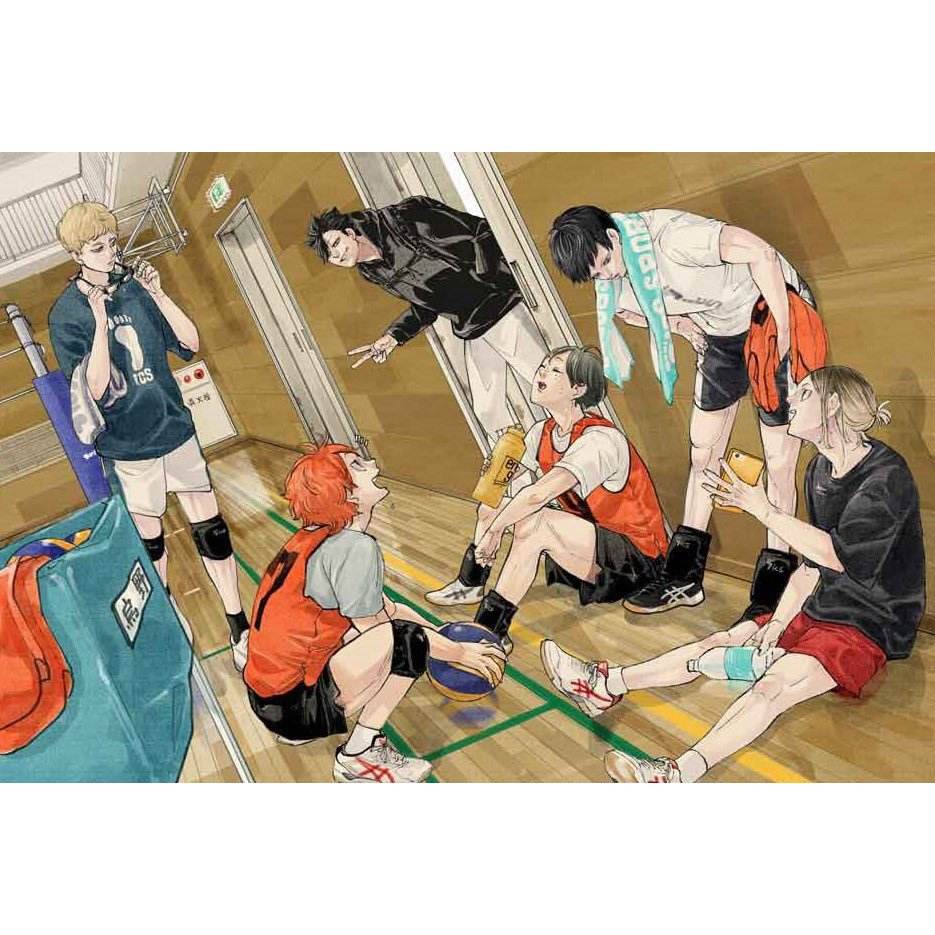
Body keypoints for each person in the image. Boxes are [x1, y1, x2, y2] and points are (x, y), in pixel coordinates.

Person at [540, 365, 925, 783]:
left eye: (804, 394)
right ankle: (606, 684)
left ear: (832, 404)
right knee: (723, 640)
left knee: (771, 687)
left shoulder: (885, 477)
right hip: (824, 603)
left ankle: (675, 775)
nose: (790, 400)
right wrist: (776, 624)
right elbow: (810, 568)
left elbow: (836, 557)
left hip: (870, 624)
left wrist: (763, 510)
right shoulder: (818, 470)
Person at [548, 205, 829, 620]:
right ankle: (683, 576)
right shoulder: (611, 282)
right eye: (596, 275)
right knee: (703, 453)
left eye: (606, 262)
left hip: (773, 313)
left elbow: (763, 254)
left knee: (779, 462)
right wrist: (683, 327)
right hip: (721, 335)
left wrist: (785, 332)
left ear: (613, 236)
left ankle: (772, 591)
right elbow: (626, 311)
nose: (607, 276)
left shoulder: (674, 238)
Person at [48, 202, 250, 670]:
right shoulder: (67, 315)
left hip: (172, 426)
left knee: (211, 529)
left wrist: (158, 294)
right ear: (76, 255)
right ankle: (170, 626)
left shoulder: (135, 288)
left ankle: (238, 622)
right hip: (129, 444)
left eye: (112, 243)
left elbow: (190, 344)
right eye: (97, 248)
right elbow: (96, 389)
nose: (110, 253)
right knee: (152, 542)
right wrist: (100, 323)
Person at [244, 442, 505, 782]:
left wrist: (442, 633)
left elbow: (389, 609)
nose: (370, 463)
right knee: (408, 641)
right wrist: (458, 653)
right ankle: (358, 754)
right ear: (345, 493)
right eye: (357, 465)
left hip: (270, 699)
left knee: (400, 632)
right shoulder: (352, 548)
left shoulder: (318, 539)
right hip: (293, 706)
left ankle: (305, 728)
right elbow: (384, 630)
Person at [427, 345, 669, 655]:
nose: (542, 372)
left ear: (578, 389)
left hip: (636, 562)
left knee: (537, 522)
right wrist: (497, 472)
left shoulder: (599, 441)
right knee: (492, 506)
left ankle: (490, 630)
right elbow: (500, 487)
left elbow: (537, 494)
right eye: (543, 365)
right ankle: (470, 583)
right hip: (591, 549)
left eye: (555, 370)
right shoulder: (542, 431)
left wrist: (495, 531)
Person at [306, 196, 548, 442]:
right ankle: (519, 459)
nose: (338, 254)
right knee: (489, 413)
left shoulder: (403, 218)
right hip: (472, 324)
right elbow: (427, 305)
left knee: (547, 383)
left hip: (500, 304)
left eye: (336, 243)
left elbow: (479, 232)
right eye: (331, 256)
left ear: (349, 232)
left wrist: (486, 281)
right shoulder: (372, 271)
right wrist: (393, 336)